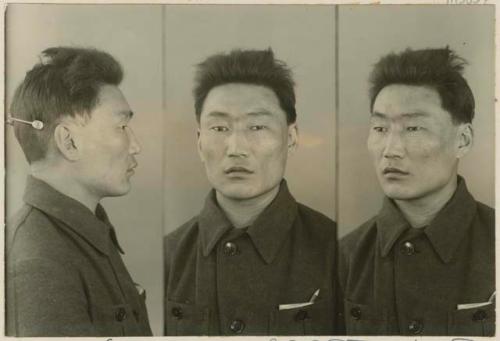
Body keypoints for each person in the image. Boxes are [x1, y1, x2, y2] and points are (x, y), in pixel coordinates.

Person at [164, 48, 341, 335]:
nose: (236, 149)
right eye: (219, 128)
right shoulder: (169, 256)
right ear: (199, 142)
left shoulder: (337, 252)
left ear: (292, 138)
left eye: (257, 126)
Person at [339, 47, 495, 336]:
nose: (391, 150)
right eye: (380, 128)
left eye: (413, 128)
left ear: (463, 140)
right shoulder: (345, 257)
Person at [6, 47, 152, 336]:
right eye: (122, 126)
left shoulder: (82, 231)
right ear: (68, 142)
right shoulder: (38, 262)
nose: (136, 146)